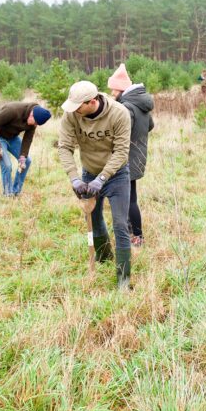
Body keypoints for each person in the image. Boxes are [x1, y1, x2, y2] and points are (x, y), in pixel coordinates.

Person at [57, 80, 133, 289]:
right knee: (94, 219)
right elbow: (64, 147)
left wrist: (103, 178)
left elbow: (121, 151)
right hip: (89, 172)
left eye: (78, 106)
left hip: (117, 175)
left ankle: (123, 279)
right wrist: (75, 178)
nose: (73, 111)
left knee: (120, 224)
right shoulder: (72, 114)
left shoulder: (119, 113)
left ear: (92, 102)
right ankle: (103, 257)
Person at [107, 63, 155, 248]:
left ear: (121, 89)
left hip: (126, 158)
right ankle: (128, 228)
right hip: (138, 155)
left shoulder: (127, 107)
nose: (112, 93)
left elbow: (120, 133)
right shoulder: (139, 104)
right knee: (127, 196)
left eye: (113, 90)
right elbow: (150, 126)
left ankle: (137, 236)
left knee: (129, 199)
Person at [0, 102, 51, 197]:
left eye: (37, 124)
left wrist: (23, 157)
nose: (35, 125)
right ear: (31, 114)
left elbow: (27, 140)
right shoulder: (12, 111)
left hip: (11, 137)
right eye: (35, 122)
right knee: (7, 165)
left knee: (26, 161)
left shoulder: (35, 120)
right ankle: (8, 194)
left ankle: (16, 191)